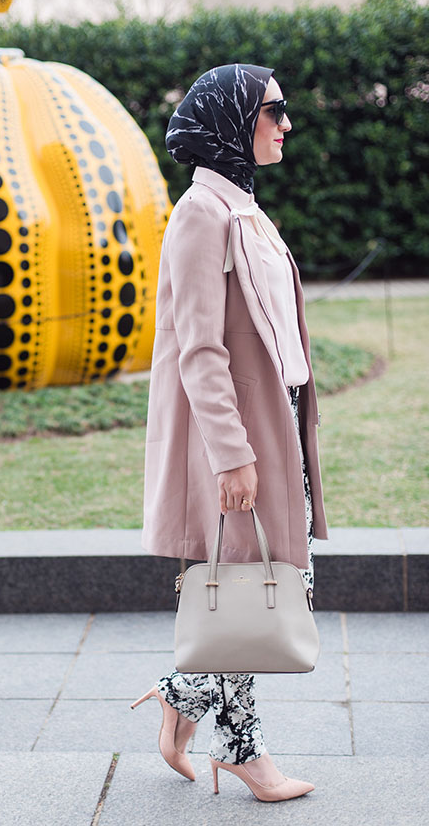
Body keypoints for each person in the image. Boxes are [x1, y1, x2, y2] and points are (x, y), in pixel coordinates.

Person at [130, 63, 328, 803]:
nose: (285, 124)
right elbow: (197, 346)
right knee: (250, 589)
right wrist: (232, 452)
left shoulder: (241, 206)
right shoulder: (201, 213)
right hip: (242, 443)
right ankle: (241, 748)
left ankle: (182, 697)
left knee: (268, 584)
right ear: (231, 119)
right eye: (272, 110)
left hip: (276, 432)